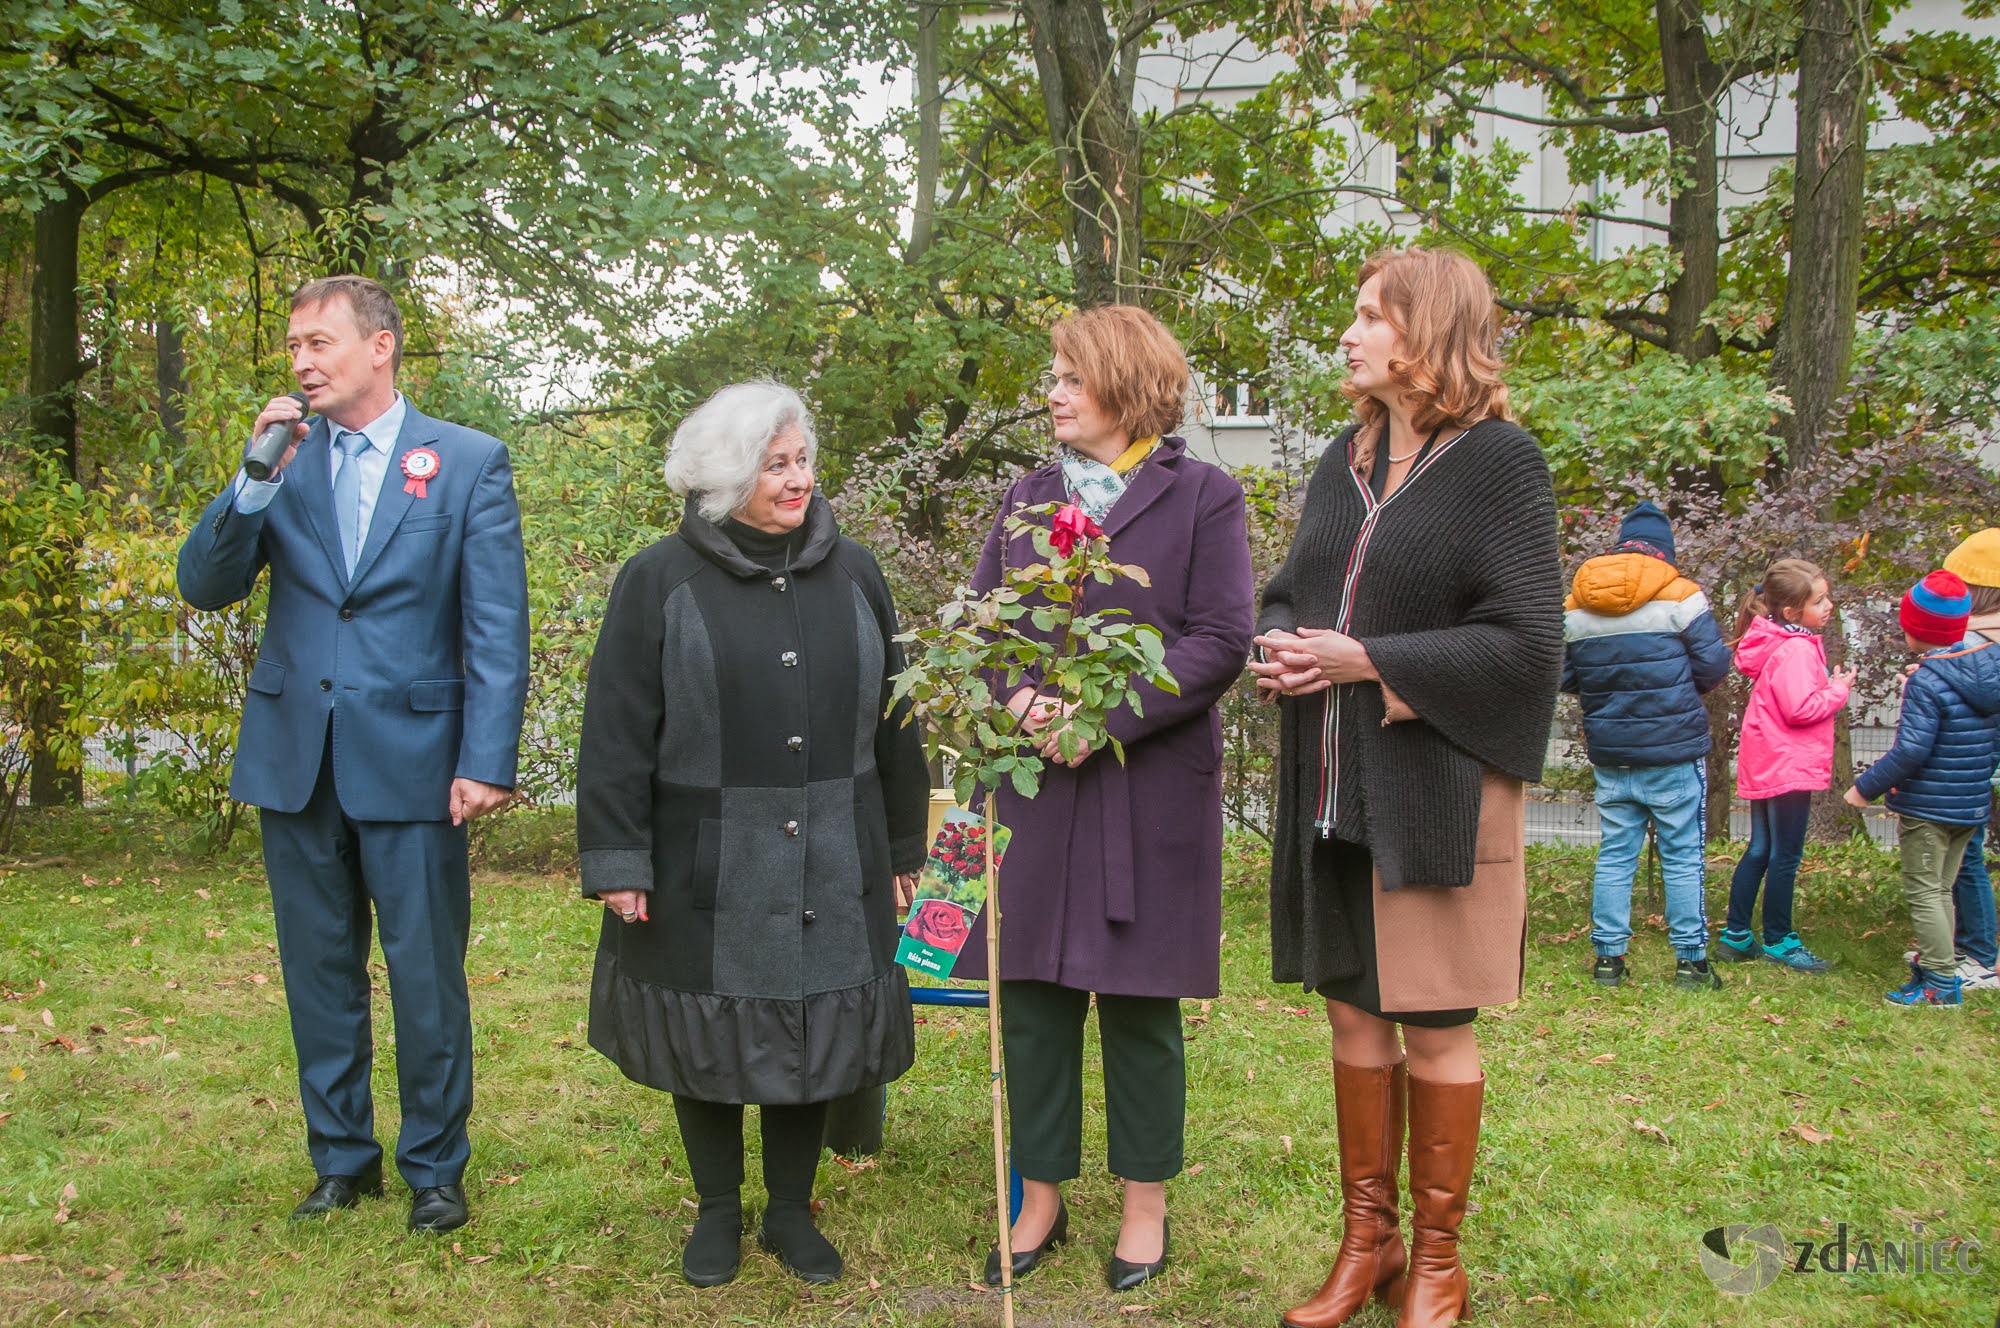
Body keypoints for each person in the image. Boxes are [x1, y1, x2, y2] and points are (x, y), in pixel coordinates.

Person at [1250, 247, 1563, 1328]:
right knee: (1350, 1013)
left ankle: (1436, 1256)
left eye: (1366, 315)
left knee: (1430, 1019)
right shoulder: (1341, 458)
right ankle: (1364, 1238)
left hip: (1430, 790)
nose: (1346, 333)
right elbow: (1288, 589)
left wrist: (1367, 660)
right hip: (1333, 787)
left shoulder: (1499, 465)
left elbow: (1526, 643)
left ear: (1423, 334)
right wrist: (1276, 643)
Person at [176, 275, 530, 1233]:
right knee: (317, 972)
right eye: (294, 345)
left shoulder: (466, 463)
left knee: (425, 974)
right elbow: (205, 586)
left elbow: (495, 625)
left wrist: (486, 758)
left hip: (416, 760)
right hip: (295, 759)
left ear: (381, 347)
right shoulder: (280, 463)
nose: (301, 361)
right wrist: (252, 475)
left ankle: (434, 1167)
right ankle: (341, 1162)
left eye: (319, 342)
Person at [575, 381, 930, 1287]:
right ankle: (718, 1213)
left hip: (834, 851)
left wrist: (900, 848)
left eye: (802, 459)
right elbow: (614, 731)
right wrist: (619, 858)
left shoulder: (856, 574)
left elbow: (898, 722)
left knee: (813, 1033)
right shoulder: (659, 579)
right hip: (708, 859)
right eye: (775, 464)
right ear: (729, 477)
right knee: (709, 1038)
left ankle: (787, 1213)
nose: (797, 478)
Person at [955, 304, 1253, 1293]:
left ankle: (1143, 1205)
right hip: (1034, 786)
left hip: (1145, 788)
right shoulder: (1026, 495)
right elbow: (983, 623)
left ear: (1123, 384)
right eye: (1051, 377)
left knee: (1136, 1008)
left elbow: (1217, 637)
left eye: (1067, 379)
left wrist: (1103, 713)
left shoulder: (1201, 494)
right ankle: (1037, 1194)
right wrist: (1018, 695)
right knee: (1032, 997)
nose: (1049, 394)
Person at [1560, 500, 1732, 991]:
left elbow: (1565, 675)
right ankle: (1691, 962)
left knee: (1616, 853)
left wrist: (1609, 694)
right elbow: (1714, 666)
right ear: (1665, 550)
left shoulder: (1577, 602)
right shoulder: (1682, 595)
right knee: (1682, 855)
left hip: (1612, 749)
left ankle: (1608, 960)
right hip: (1674, 748)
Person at [1844, 571, 2000, 1007]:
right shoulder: (1987, 670)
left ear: (1916, 629)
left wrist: (1865, 788)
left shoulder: (1928, 681)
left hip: (1929, 807)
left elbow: (1911, 750)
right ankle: (1940, 965)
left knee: (1925, 891)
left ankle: (1939, 983)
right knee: (1943, 887)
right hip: (1969, 803)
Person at [1716, 559, 1853, 971]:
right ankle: (1779, 939)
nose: (1828, 605)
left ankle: (1737, 935)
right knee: (1785, 855)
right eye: (1819, 600)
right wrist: (1838, 690)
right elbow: (1800, 708)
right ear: (1792, 612)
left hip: (1771, 760)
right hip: (1787, 763)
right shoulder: (1794, 649)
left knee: (1762, 848)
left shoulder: (1782, 641)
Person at [1930, 529, 2000, 990]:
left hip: (1972, 769)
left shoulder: (1974, 643)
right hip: (1981, 767)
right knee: (1963, 857)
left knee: (1967, 858)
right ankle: (1964, 943)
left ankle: (1981, 955)